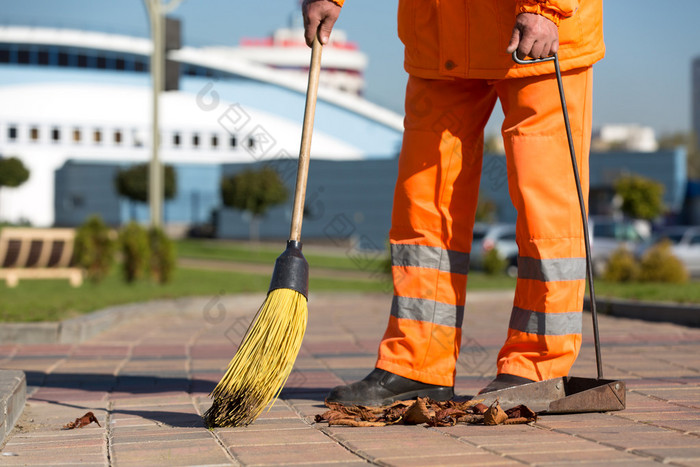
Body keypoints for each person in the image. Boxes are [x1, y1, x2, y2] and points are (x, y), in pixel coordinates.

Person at [302, 0, 604, 405]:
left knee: (545, 207)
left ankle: (537, 365)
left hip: (534, 29)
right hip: (440, 33)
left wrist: (545, 7)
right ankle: (417, 364)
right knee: (424, 206)